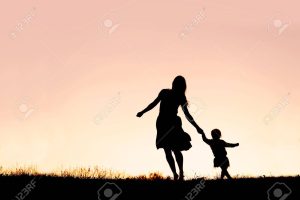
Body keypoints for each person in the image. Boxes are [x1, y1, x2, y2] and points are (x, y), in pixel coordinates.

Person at [137, 76, 203, 180]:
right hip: (162, 123)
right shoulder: (164, 92)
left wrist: (197, 127)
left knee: (175, 149)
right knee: (167, 149)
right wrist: (143, 112)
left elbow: (187, 114)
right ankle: (175, 174)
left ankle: (180, 172)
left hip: (173, 124)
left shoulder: (181, 97)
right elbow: (153, 104)